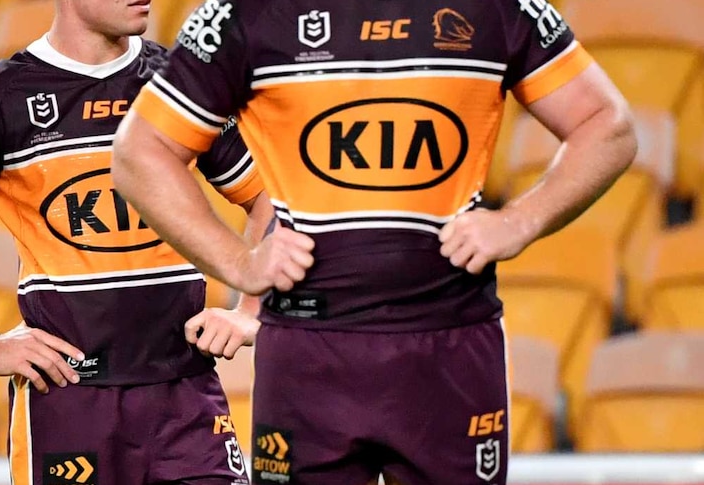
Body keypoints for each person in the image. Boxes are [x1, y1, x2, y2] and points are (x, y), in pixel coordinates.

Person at [110, 1, 638, 484]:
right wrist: (238, 262)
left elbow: (606, 124)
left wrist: (520, 220)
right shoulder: (244, 14)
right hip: (306, 357)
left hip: (450, 349)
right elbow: (140, 153)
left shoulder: (495, 8)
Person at [0, 1, 267, 484]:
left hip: (187, 395)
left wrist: (249, 310)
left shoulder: (183, 85)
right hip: (68, 403)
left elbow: (269, 199)